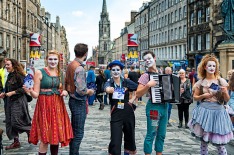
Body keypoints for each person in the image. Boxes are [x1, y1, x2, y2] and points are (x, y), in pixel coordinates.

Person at [23, 50, 73, 155]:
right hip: (44, 105)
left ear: (58, 61)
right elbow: (36, 94)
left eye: (55, 59)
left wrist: (65, 92)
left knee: (56, 134)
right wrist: (30, 91)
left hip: (57, 105)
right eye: (50, 59)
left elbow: (64, 89)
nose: (53, 61)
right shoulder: (39, 72)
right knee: (45, 135)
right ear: (46, 60)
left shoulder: (60, 73)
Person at [188, 54, 233, 155]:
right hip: (204, 111)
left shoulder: (221, 81)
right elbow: (195, 98)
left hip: (219, 112)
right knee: (204, 142)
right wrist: (204, 96)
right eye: (209, 65)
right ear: (204, 67)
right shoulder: (200, 82)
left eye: (214, 66)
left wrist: (225, 92)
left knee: (220, 145)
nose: (212, 68)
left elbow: (227, 100)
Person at [136, 51, 168, 155]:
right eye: (145, 60)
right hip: (153, 107)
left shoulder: (161, 71)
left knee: (162, 134)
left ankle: (159, 153)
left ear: (154, 58)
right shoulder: (145, 76)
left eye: (149, 58)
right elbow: (138, 94)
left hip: (164, 106)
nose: (148, 61)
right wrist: (148, 85)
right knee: (152, 133)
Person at [65, 43, 94, 155]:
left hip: (72, 99)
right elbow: (81, 90)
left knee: (75, 131)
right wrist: (89, 91)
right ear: (86, 54)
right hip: (78, 101)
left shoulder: (71, 64)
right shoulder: (79, 68)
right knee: (78, 133)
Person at [104, 60, 138, 155]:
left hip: (128, 111)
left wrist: (132, 100)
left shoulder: (126, 82)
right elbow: (106, 88)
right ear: (110, 71)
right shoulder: (109, 82)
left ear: (121, 71)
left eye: (118, 70)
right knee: (115, 138)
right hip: (116, 112)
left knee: (130, 136)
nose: (115, 72)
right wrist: (108, 90)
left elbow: (138, 88)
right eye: (113, 69)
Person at [0, 59, 31, 150]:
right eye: (5, 65)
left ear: (13, 65)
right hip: (9, 101)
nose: (6, 67)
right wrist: (4, 93)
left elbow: (26, 88)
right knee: (9, 122)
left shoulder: (20, 75)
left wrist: (13, 92)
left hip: (18, 101)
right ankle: (16, 141)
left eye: (8, 65)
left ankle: (30, 131)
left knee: (16, 121)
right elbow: (7, 87)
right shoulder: (9, 75)